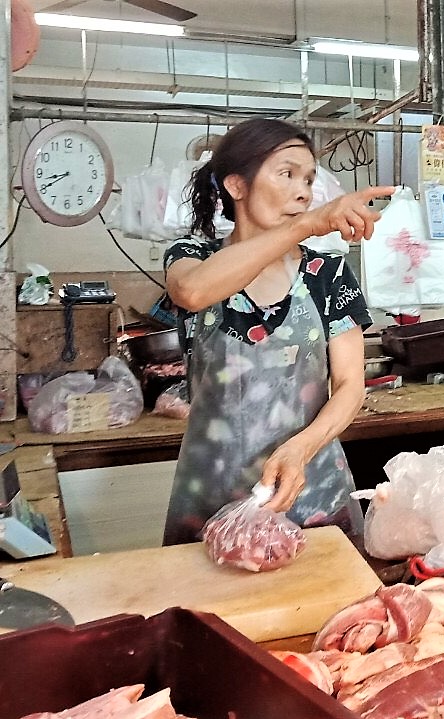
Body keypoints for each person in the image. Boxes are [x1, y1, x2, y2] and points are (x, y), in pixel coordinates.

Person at [161, 118, 395, 545]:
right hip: (211, 493)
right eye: (286, 173)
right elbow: (191, 291)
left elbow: (349, 385)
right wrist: (305, 225)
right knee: (207, 610)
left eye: (308, 178)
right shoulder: (193, 256)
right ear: (237, 185)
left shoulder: (327, 274)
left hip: (311, 490)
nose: (302, 191)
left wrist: (301, 449)